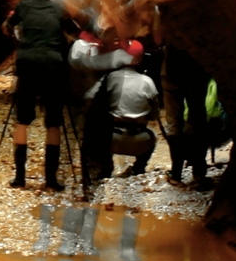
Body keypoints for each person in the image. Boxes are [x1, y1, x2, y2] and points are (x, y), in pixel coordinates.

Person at [5, 0, 69, 191]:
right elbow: (67, 34)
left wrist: (20, 39)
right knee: (53, 122)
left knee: (22, 119)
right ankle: (51, 180)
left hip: (28, 62)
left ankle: (20, 178)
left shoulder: (23, 7)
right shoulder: (58, 8)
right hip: (53, 63)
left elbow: (8, 26)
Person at [68, 29, 134, 177]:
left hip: (92, 103)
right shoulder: (115, 58)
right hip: (99, 105)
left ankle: (95, 167)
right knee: (99, 132)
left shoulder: (86, 53)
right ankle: (101, 166)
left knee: (92, 132)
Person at [95, 40, 160, 177]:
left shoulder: (110, 78)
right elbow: (154, 116)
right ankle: (139, 168)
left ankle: (106, 166)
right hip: (140, 142)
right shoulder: (148, 82)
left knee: (95, 130)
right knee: (153, 135)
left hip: (110, 140)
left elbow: (97, 110)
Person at [162, 44, 210, 186]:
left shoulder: (169, 25)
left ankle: (176, 173)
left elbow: (157, 39)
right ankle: (199, 173)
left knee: (173, 121)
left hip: (172, 70)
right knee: (197, 120)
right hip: (196, 71)